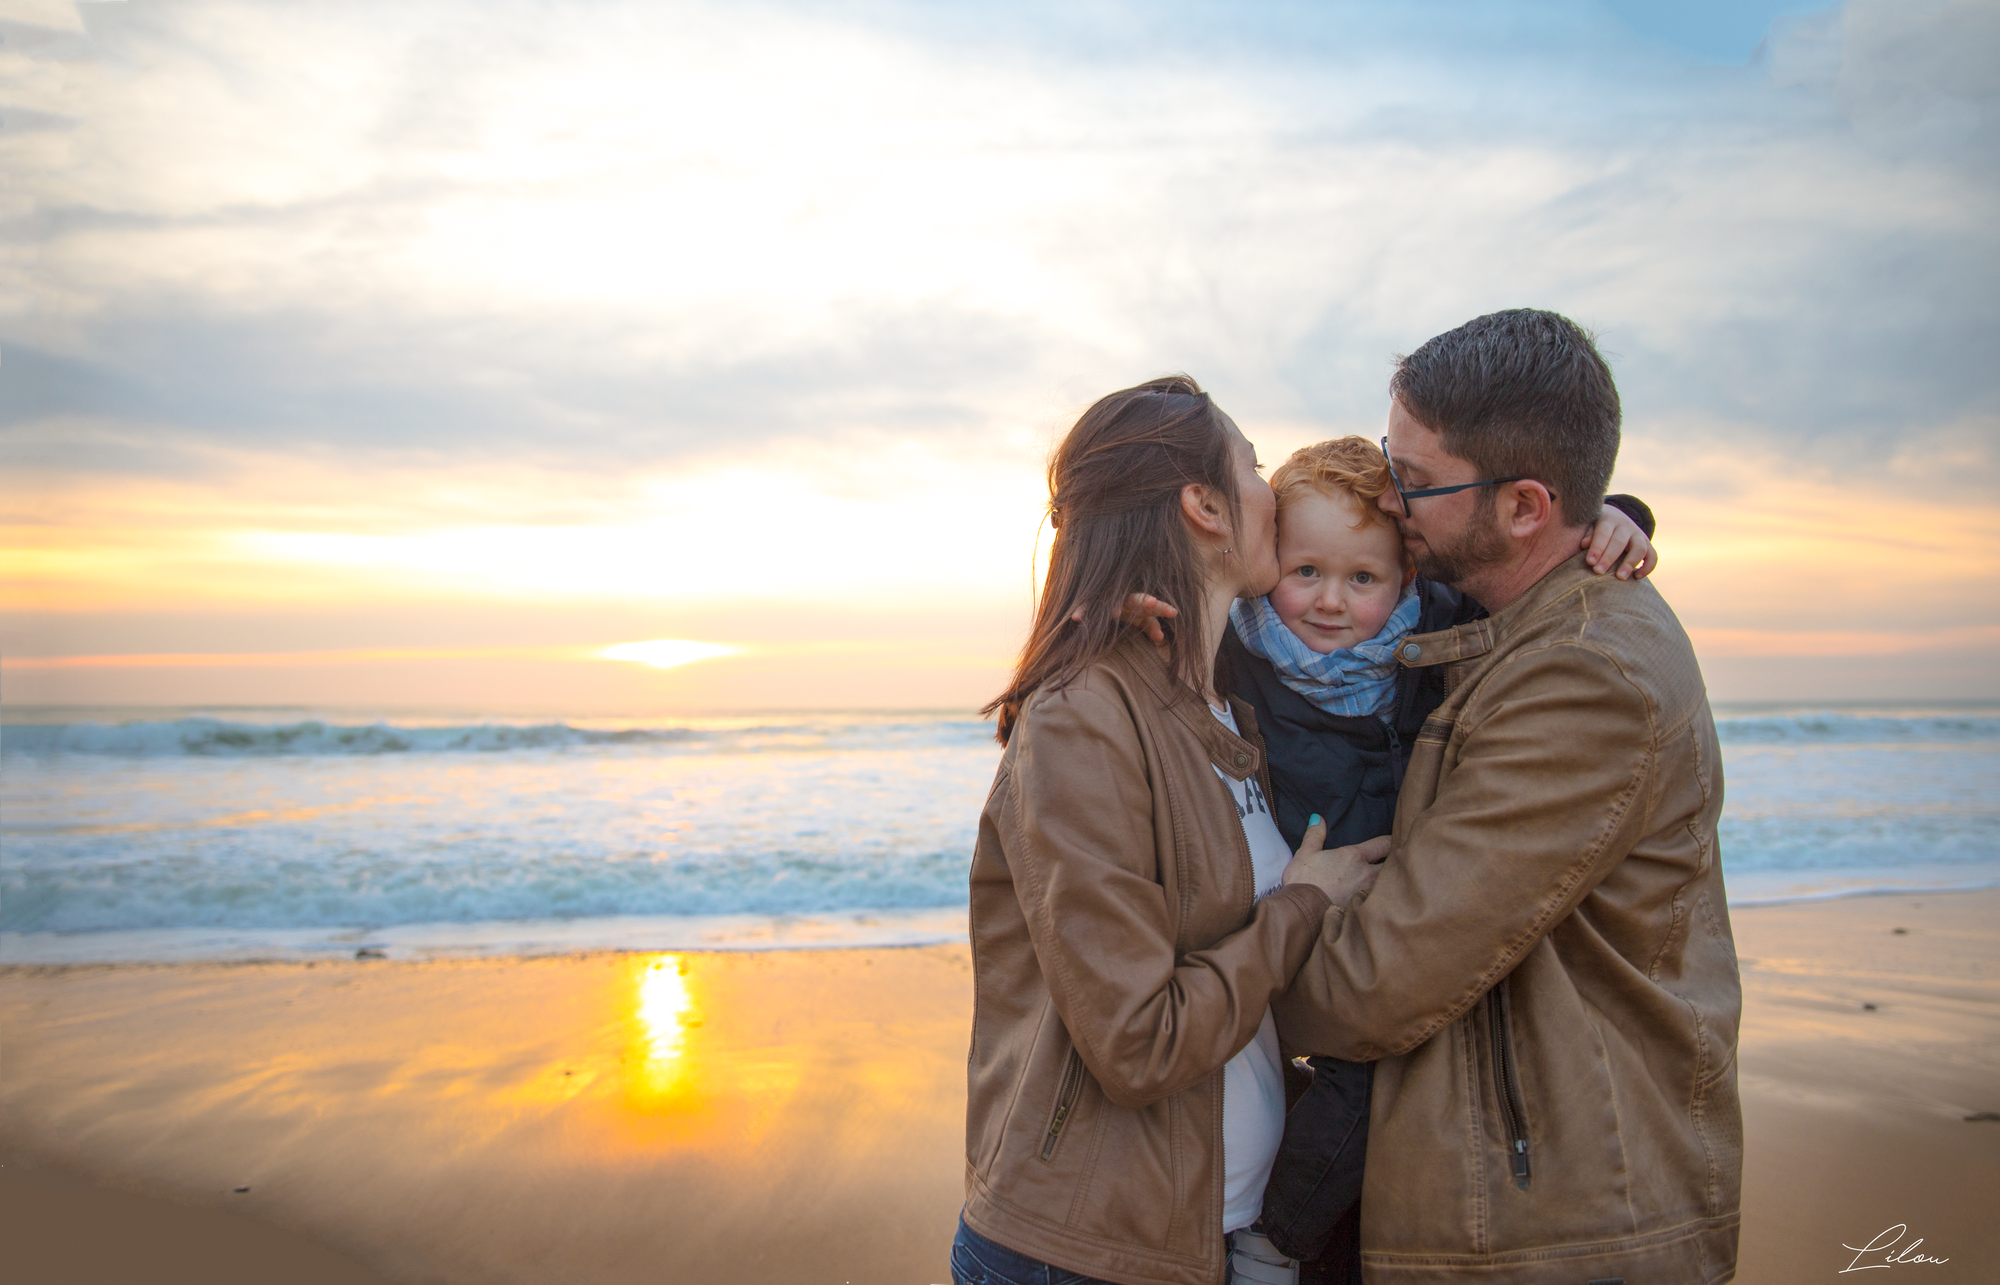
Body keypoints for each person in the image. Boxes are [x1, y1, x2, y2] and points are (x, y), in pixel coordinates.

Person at [1277, 309, 1742, 1284]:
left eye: (1413, 477)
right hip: (1515, 1198)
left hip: (1551, 1230)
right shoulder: (1504, 617)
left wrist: (1208, 997)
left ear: (1526, 506)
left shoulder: (1581, 674)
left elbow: (1377, 979)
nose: (1388, 497)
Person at [953, 375, 1390, 1285]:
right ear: (1204, 505)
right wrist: (1303, 905)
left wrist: (1613, 520)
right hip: (1083, 1250)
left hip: (1210, 1235)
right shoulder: (1084, 716)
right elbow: (1139, 1039)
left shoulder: (1229, 703)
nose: (1273, 494)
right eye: (1254, 467)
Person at [1210, 436, 1657, 1283]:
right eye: (1305, 570)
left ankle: (1280, 1237)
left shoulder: (1442, 624)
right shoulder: (1239, 649)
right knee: (1344, 1079)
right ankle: (1268, 1240)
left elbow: (1536, 561)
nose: (1331, 603)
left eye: (1363, 579)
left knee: (1388, 1078)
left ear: (1406, 574)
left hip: (1406, 904)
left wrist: (1619, 519)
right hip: (1304, 898)